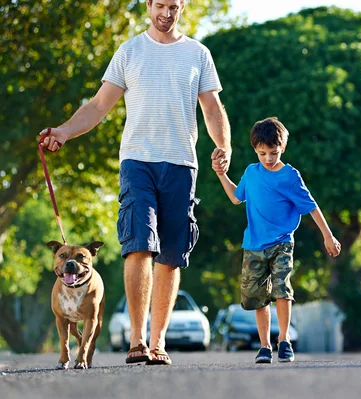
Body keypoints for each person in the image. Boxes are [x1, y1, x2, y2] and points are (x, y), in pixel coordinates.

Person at [39, 0, 231, 365]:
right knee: (139, 244)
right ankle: (137, 340)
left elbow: (211, 108)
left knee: (171, 254)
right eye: (161, 5)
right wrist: (63, 132)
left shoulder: (198, 54)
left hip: (181, 163)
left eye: (174, 6)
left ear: (182, 8)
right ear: (148, 5)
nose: (167, 13)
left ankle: (158, 343)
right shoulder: (129, 51)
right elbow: (98, 106)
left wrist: (224, 146)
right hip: (137, 161)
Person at [211, 117, 341, 363]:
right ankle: (264, 346)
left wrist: (328, 235)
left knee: (282, 289)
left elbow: (311, 207)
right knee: (257, 298)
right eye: (262, 154)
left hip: (282, 242)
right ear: (255, 150)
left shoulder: (290, 176)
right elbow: (236, 198)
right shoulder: (251, 172)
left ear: (282, 148)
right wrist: (221, 174)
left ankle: (284, 340)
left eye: (273, 153)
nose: (268, 159)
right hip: (253, 245)